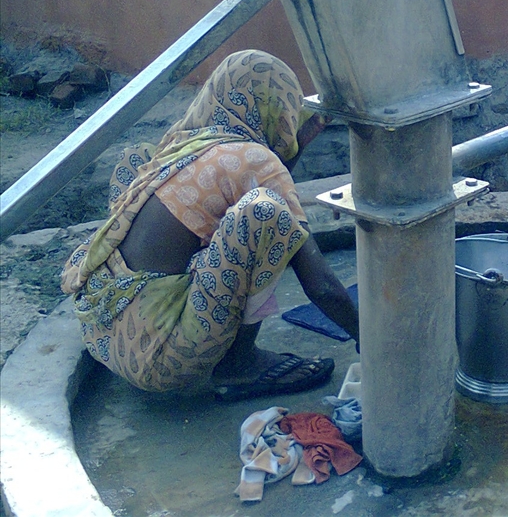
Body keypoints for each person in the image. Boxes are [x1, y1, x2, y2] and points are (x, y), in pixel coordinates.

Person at [61, 50, 359, 401]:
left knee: (138, 159)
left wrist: (293, 149)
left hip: (104, 331)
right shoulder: (257, 163)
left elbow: (250, 174)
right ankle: (241, 366)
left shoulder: (187, 142)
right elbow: (321, 285)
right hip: (160, 361)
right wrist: (372, 340)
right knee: (265, 214)